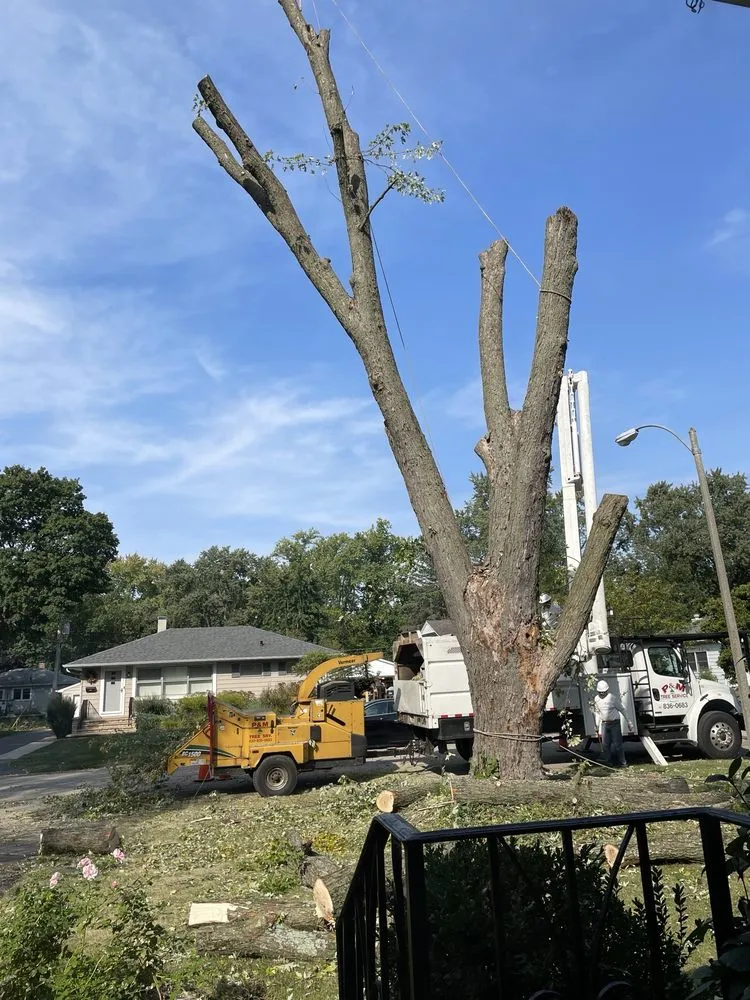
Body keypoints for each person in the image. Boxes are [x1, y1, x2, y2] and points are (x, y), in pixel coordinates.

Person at [593, 678, 633, 768]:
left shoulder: (612, 698)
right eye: (600, 692)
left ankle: (623, 762)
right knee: (605, 744)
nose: (601, 693)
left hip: (615, 723)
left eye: (603, 691)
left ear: (607, 690)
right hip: (604, 723)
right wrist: (597, 725)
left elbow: (622, 709)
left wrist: (628, 722)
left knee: (618, 744)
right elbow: (597, 713)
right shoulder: (596, 699)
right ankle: (608, 762)